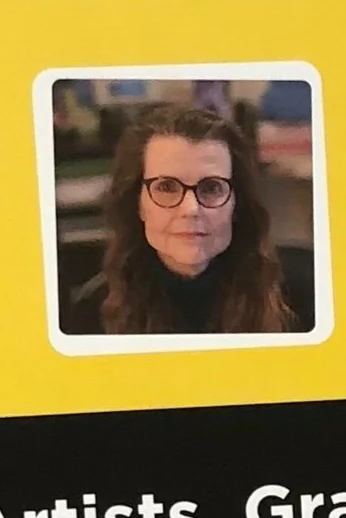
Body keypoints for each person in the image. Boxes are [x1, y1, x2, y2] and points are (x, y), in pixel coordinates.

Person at [60, 96, 313, 337]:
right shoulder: (91, 315)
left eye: (211, 188)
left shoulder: (305, 299)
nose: (191, 209)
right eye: (166, 187)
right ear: (137, 203)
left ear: (237, 204)